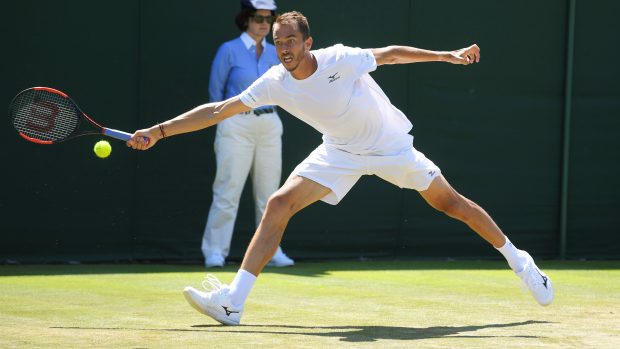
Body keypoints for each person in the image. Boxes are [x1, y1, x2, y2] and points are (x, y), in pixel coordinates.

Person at [128, 11, 554, 326]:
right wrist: (160, 131)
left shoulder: (339, 59)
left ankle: (522, 263)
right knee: (279, 203)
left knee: (452, 204)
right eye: (279, 42)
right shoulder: (274, 81)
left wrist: (447, 55)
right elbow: (221, 108)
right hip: (338, 152)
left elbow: (388, 55)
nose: (284, 49)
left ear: (307, 42)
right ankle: (232, 302)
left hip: (389, 147)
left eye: (291, 40)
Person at [202, 0, 293, 268]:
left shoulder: (277, 52)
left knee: (270, 195)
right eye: (257, 17)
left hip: (269, 124)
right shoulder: (228, 50)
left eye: (268, 18)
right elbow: (215, 94)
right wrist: (223, 124)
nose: (263, 23)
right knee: (227, 191)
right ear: (246, 19)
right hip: (235, 125)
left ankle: (271, 252)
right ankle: (214, 252)